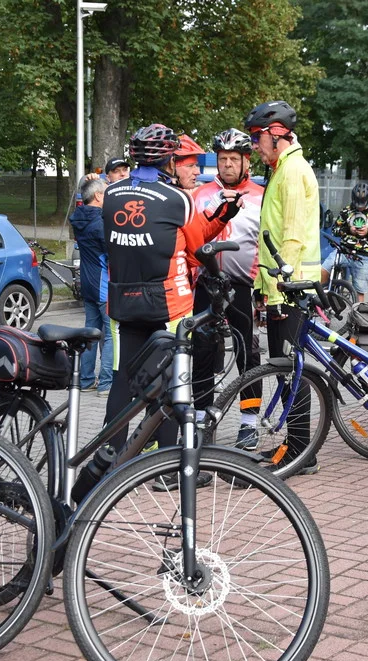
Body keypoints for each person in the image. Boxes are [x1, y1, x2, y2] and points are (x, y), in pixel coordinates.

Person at [103, 123, 243, 489]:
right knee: (169, 385)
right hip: (168, 303)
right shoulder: (176, 199)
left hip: (121, 301)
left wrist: (219, 218)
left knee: (122, 381)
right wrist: (220, 236)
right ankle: (166, 472)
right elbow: (198, 249)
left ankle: (109, 465)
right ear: (168, 159)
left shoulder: (112, 192)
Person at [247, 99, 322, 475]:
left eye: (257, 138)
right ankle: (296, 445)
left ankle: (299, 452)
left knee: (292, 370)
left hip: (290, 289)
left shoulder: (293, 171)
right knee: (286, 368)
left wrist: (276, 288)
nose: (254, 146)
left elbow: (290, 237)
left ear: (276, 135)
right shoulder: (282, 168)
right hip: (280, 288)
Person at [192, 128, 265, 449]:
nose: (228, 165)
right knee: (203, 353)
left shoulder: (260, 196)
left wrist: (265, 287)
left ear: (246, 161)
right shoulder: (201, 193)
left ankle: (249, 423)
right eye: (223, 159)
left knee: (247, 354)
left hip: (242, 285)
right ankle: (202, 420)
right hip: (205, 285)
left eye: (234, 159)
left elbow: (267, 241)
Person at [70, 176, 113, 396]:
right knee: (110, 335)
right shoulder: (100, 224)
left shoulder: (78, 217)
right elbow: (112, 252)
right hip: (103, 285)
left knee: (90, 333)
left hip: (87, 283)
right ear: (98, 196)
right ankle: (106, 383)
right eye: (106, 192)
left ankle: (85, 379)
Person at [323, 182, 368, 301]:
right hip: (344, 251)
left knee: (359, 291)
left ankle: (357, 315)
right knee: (324, 269)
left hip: (363, 256)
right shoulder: (346, 211)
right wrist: (348, 229)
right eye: (357, 203)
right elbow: (335, 230)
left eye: (362, 204)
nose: (359, 207)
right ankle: (323, 298)